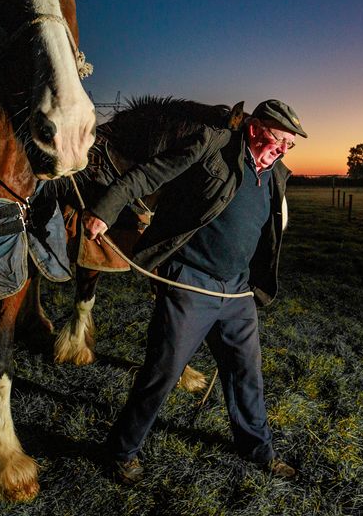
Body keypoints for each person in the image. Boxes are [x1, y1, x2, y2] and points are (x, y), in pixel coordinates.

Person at [81, 99, 307, 484]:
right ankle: (121, 451)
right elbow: (147, 175)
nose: (282, 150)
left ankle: (258, 449)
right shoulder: (212, 145)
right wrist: (104, 210)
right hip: (190, 281)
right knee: (163, 372)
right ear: (254, 129)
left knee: (246, 373)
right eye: (278, 140)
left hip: (236, 293)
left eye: (290, 145)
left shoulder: (276, 173)